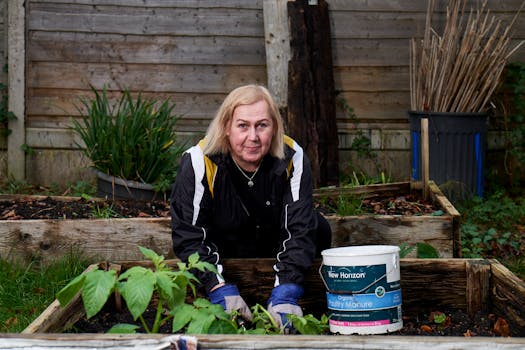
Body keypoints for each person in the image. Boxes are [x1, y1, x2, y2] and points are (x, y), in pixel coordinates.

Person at [170, 84, 331, 329]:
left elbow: (299, 228)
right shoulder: (198, 161)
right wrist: (216, 285)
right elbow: (188, 235)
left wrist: (287, 288)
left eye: (262, 125)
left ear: (274, 127)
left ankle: (287, 299)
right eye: (243, 125)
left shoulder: (292, 156)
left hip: (273, 244)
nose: (253, 137)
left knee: (318, 226)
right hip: (225, 250)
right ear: (226, 127)